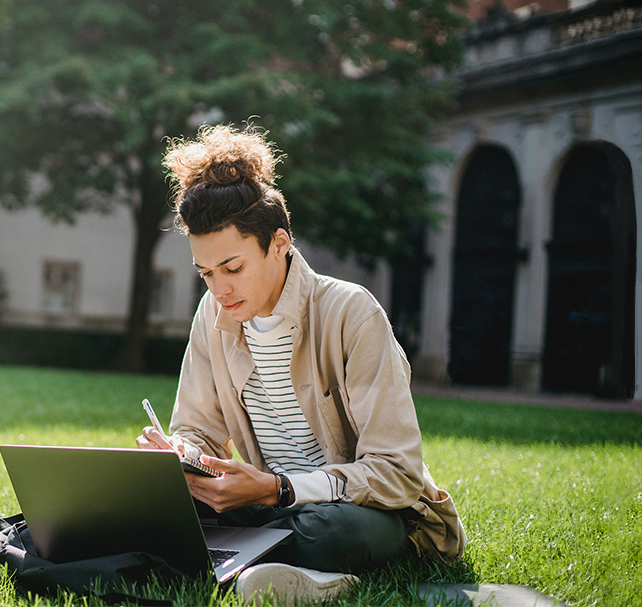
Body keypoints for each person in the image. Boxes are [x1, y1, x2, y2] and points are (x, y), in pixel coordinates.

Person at [136, 125, 465, 604]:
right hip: (261, 506)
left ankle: (236, 554)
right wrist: (180, 455)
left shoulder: (352, 312)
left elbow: (397, 473)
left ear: (279, 243)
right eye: (206, 273)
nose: (219, 289)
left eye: (232, 268)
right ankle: (288, 568)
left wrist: (277, 489)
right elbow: (198, 429)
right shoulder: (213, 314)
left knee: (339, 532)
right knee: (150, 508)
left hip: (357, 511)